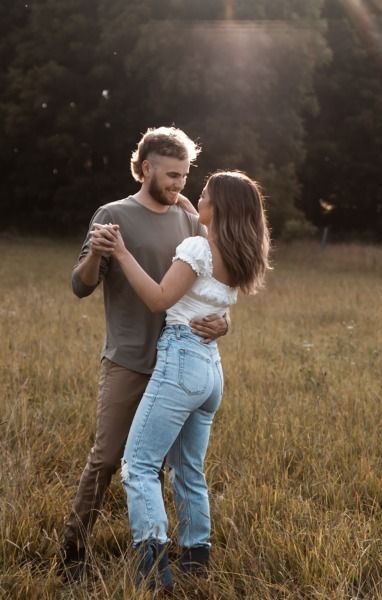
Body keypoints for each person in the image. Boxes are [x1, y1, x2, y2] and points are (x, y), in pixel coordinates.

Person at [59, 127, 229, 580]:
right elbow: (80, 286)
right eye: (172, 174)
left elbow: (212, 287)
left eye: (185, 176)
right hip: (129, 359)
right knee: (108, 457)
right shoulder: (113, 214)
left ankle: (172, 554)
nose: (179, 184)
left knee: (172, 466)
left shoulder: (190, 221)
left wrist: (225, 323)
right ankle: (73, 548)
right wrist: (96, 254)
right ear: (146, 168)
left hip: (178, 364)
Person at [97, 170, 271, 591]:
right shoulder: (238, 251)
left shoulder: (197, 246)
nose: (196, 197)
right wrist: (187, 205)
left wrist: (121, 252)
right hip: (210, 371)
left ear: (219, 208)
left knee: (138, 465)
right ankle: (196, 557)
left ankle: (153, 567)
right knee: (189, 470)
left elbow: (159, 299)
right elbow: (199, 218)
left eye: (204, 194)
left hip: (180, 360)